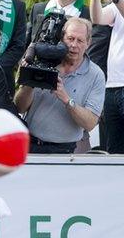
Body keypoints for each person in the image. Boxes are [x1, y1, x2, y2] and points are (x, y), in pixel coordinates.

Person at [15, 18, 104, 154]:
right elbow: (19, 107)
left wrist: (67, 100)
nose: (74, 45)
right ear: (62, 39)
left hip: (65, 150)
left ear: (88, 43)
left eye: (80, 40)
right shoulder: (42, 60)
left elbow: (90, 123)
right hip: (29, 144)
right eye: (70, 38)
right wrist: (29, 82)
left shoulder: (95, 75)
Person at [89, 0, 124, 153]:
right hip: (112, 86)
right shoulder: (116, 5)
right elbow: (98, 18)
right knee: (114, 148)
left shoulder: (119, 1)